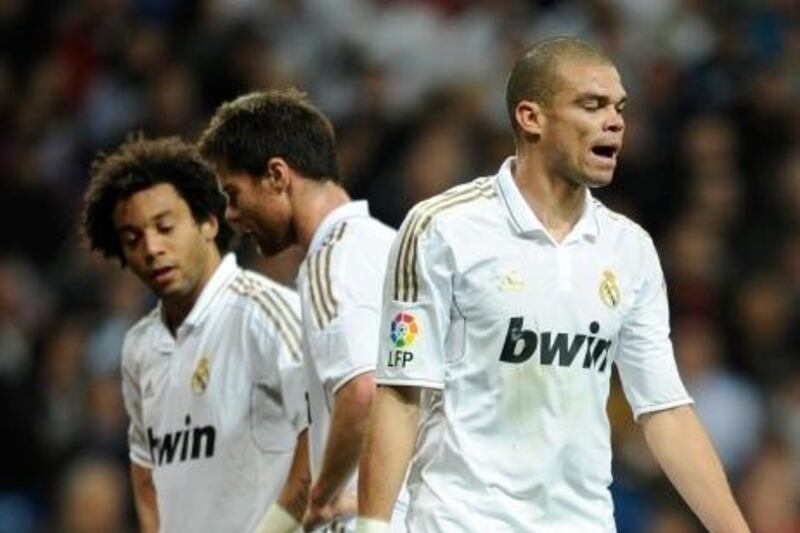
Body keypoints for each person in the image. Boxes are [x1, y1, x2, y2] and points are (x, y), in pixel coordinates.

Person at [356, 37, 750, 532]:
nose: (615, 121)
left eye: (620, 107)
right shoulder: (441, 228)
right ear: (531, 117)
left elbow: (665, 409)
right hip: (460, 520)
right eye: (593, 104)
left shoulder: (629, 249)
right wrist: (370, 526)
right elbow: (399, 394)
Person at [198, 89, 407, 532]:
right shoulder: (384, 245)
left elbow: (362, 392)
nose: (231, 215)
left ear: (277, 175)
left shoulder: (331, 262)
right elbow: (334, 420)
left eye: (233, 194)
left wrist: (324, 497)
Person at [82, 135, 310, 533]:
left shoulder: (264, 314)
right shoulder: (139, 347)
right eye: (132, 239)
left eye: (165, 226)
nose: (152, 248)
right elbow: (146, 473)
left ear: (208, 221)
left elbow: (326, 432)